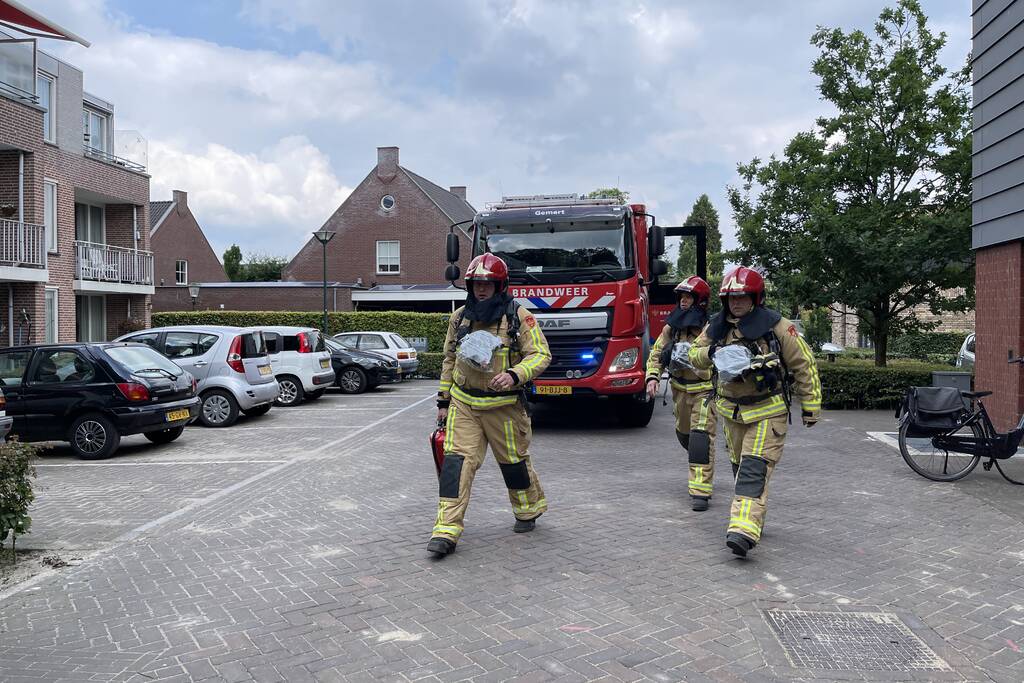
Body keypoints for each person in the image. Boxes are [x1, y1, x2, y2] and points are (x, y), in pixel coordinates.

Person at [688, 266, 821, 557]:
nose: (736, 303)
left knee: (753, 468)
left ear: (755, 298)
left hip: (767, 411)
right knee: (740, 468)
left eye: (742, 297)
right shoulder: (716, 326)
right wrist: (711, 354)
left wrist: (810, 405)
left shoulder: (777, 326)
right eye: (731, 298)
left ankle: (742, 530)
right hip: (730, 412)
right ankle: (753, 514)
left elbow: (804, 364)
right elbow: (693, 356)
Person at [428, 253, 552, 557]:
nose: (481, 289)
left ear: (500, 285)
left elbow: (540, 354)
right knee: (456, 464)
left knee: (513, 463)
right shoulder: (459, 319)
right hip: (464, 405)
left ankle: (527, 509)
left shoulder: (519, 316)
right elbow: (449, 360)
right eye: (476, 284)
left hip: (505, 408)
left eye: (488, 283)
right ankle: (446, 529)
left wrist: (514, 374)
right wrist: (443, 401)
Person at [644, 276, 718, 511]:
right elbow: (656, 353)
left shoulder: (712, 327)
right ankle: (700, 460)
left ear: (701, 301)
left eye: (688, 297)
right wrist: (653, 377)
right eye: (681, 297)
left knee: (700, 438)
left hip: (704, 391)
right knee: (685, 435)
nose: (684, 301)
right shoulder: (671, 327)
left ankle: (700, 491)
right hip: (679, 391)